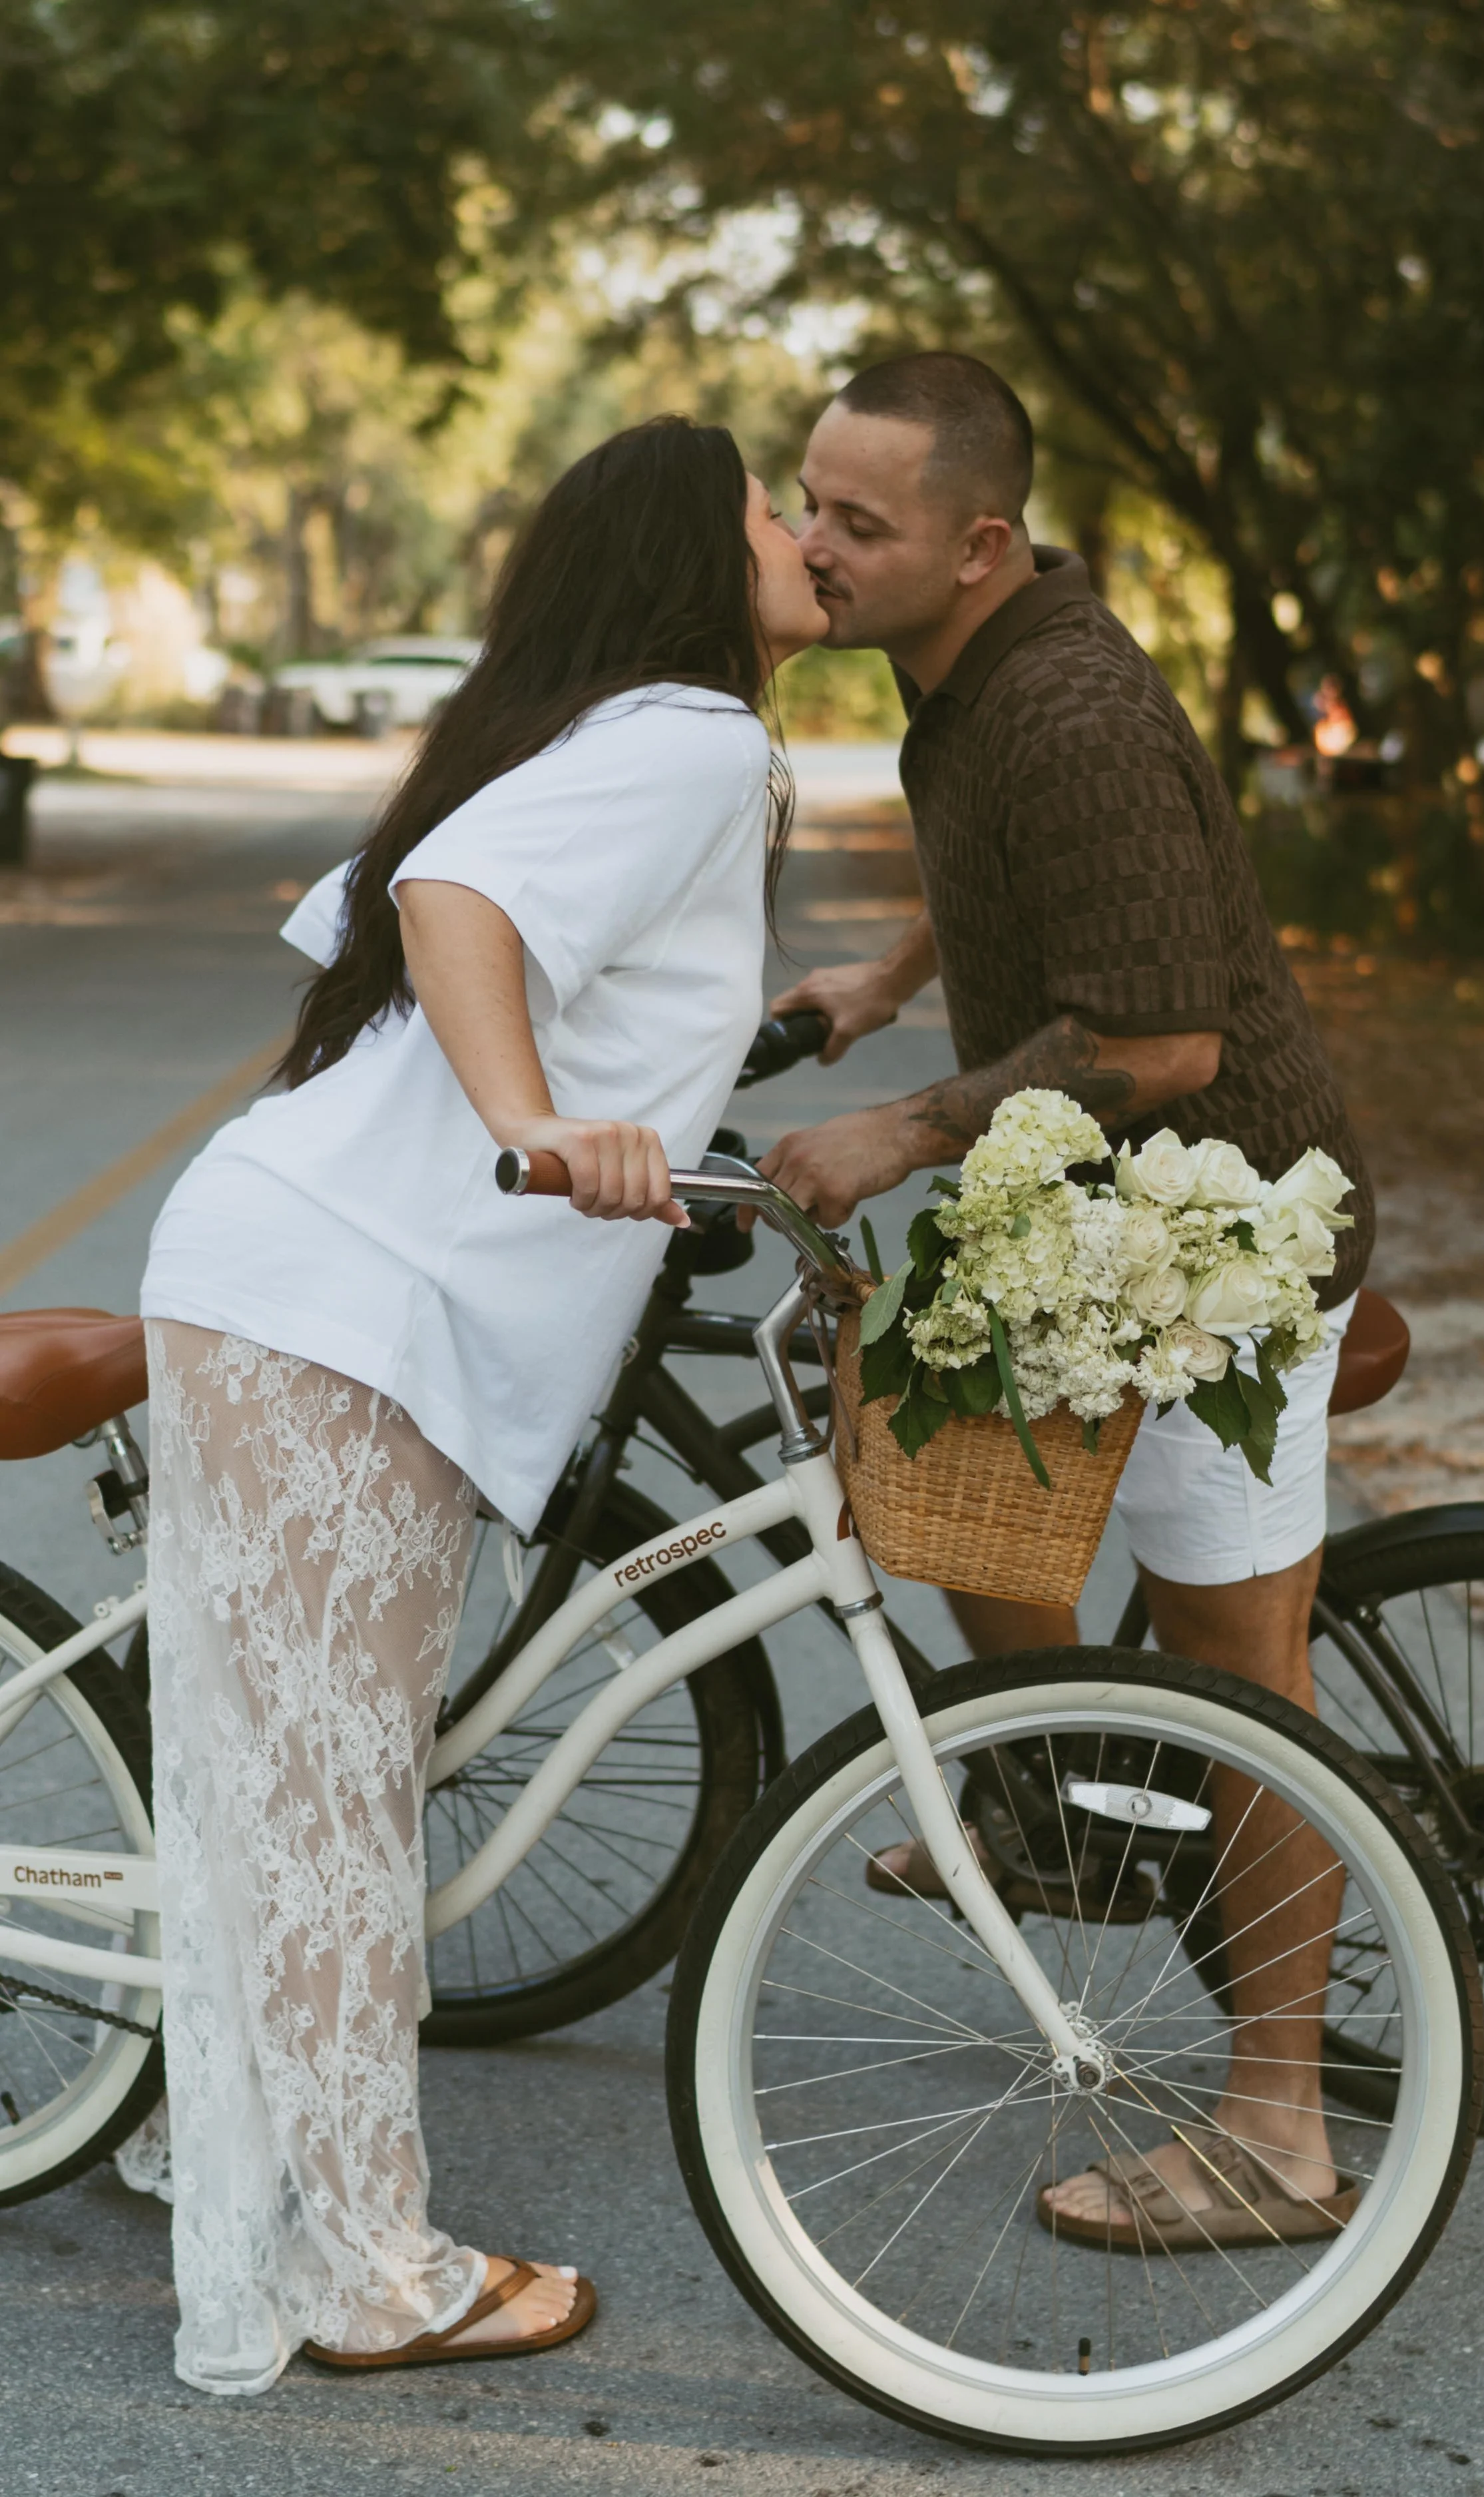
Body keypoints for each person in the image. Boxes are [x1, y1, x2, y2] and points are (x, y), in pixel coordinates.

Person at [128, 417, 828, 2392]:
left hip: (304, 1270)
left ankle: (227, 2137)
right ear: (699, 554)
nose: (798, 536)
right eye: (774, 507)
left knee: (304, 1775)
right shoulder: (698, 731)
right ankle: (368, 2266)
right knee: (339, 1791)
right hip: (351, 1295)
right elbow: (448, 900)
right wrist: (533, 1125)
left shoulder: (611, 726)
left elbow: (513, 934)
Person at [763, 352, 1376, 2252]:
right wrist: (886, 972)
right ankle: (1064, 1798)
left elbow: (1165, 1035)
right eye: (806, 501)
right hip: (1077, 1225)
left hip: (1218, 1244)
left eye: (857, 523)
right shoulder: (975, 676)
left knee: (1233, 1678)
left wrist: (905, 1121)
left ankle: (1276, 2130)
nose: (812, 545)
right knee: (912, 1448)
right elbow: (1040, 877)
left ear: (979, 543)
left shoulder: (1073, 710)